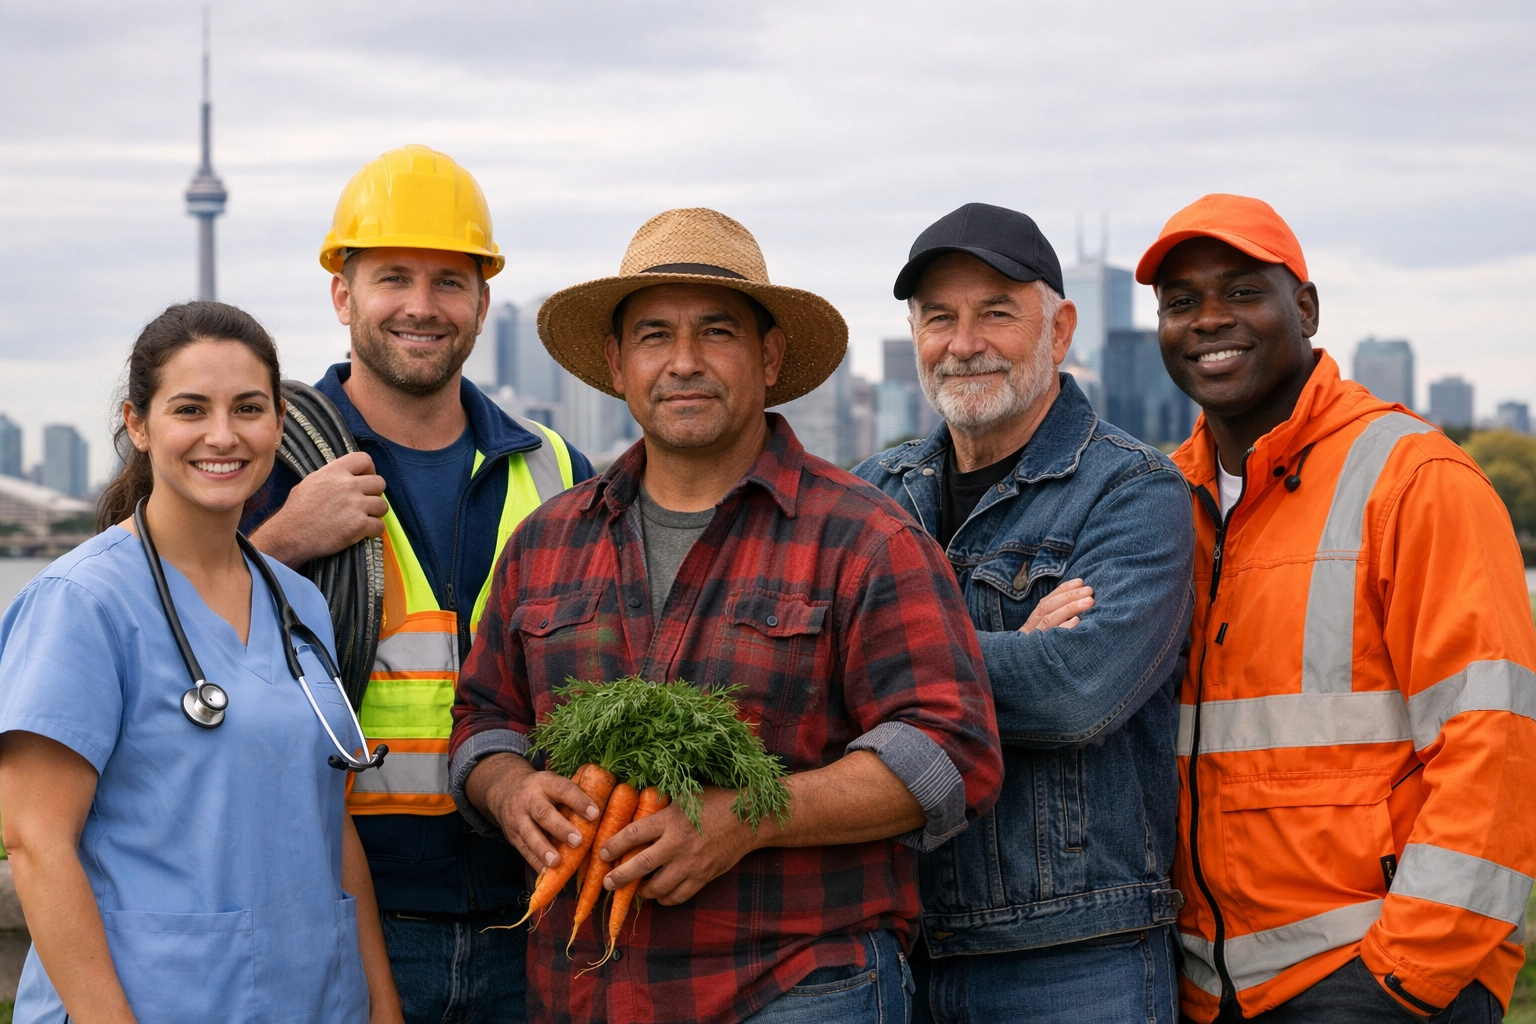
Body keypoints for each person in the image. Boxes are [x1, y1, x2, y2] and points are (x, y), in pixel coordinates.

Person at [449, 207, 1004, 1024]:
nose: (683, 363)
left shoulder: (864, 536)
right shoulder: (546, 542)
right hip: (581, 992)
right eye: (652, 336)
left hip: (796, 988)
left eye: (716, 332)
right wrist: (509, 791)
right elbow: (483, 719)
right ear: (616, 362)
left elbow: (950, 753)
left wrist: (748, 818)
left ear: (769, 355)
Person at [1139, 193, 1536, 1022]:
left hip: (1374, 983)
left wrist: (1401, 979)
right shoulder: (1162, 503)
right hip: (1209, 992)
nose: (1209, 319)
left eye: (1243, 291)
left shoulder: (1413, 481)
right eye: (1182, 303)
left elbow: (1495, 748)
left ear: (1307, 309)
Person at [245, 145, 594, 1024]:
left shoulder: (557, 468)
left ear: (482, 302)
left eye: (450, 281)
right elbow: (162, 632)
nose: (421, 306)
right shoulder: (265, 457)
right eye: (392, 276)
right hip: (342, 911)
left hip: (537, 912)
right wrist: (279, 541)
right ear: (342, 295)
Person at [0, 302, 403, 1023]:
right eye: (191, 408)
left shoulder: (300, 607)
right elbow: (36, 844)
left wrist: (380, 1005)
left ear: (278, 423)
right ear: (138, 424)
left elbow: (329, 824)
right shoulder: (82, 604)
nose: (223, 435)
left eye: (247, 408)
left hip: (315, 1000)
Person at [853, 203, 1194, 1023]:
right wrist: (1011, 647)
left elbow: (1078, 693)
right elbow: (798, 679)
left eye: (996, 313)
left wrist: (872, 659)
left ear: (1061, 329)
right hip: (896, 950)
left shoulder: (1132, 489)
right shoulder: (873, 491)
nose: (963, 342)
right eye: (940, 318)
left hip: (1074, 964)